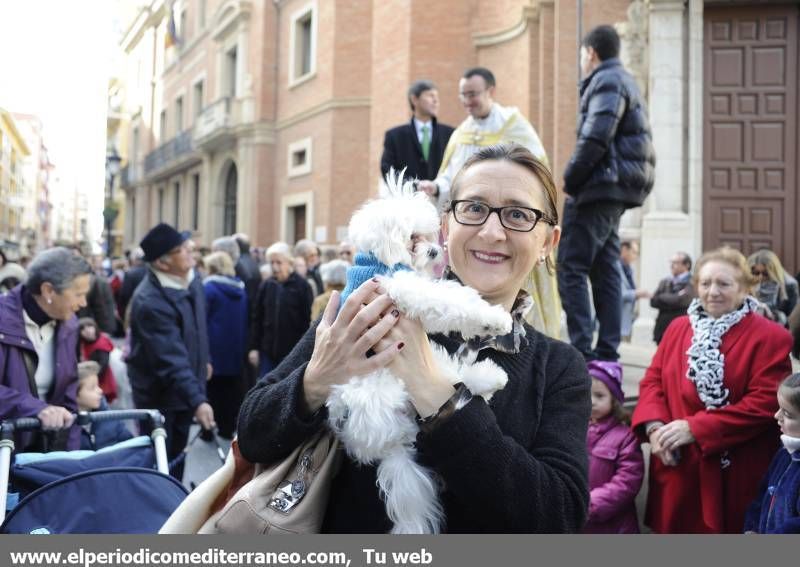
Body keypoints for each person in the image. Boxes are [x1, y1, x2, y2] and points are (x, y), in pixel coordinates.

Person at [237, 144, 591, 533]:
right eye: (473, 208)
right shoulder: (363, 311)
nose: (492, 232)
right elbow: (253, 435)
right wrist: (317, 379)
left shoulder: (560, 368)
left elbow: (559, 518)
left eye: (518, 215)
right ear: (446, 227)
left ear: (547, 243)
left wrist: (438, 394)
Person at [632, 246, 792, 533]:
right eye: (705, 283)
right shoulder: (678, 327)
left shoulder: (771, 337)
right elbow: (653, 381)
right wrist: (655, 428)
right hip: (678, 465)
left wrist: (696, 428)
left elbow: (765, 402)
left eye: (724, 283)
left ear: (744, 288)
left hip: (735, 470)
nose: (713, 292)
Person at [417, 67, 559, 338]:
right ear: (446, 226)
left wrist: (517, 213)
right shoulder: (461, 133)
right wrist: (435, 187)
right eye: (463, 96)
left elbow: (538, 181)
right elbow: (453, 179)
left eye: (473, 94)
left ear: (491, 91)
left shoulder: (514, 125)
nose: (468, 101)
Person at [557, 25, 656, 362]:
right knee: (605, 267)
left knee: (570, 265)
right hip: (613, 188)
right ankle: (607, 350)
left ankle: (583, 350)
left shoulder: (606, 80)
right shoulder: (624, 79)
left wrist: (570, 180)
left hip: (598, 187)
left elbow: (596, 136)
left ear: (591, 53)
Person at [127, 223, 215, 480]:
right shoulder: (150, 301)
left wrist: (204, 360)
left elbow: (199, 329)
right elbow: (170, 359)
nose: (190, 250)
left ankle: (174, 503)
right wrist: (197, 399)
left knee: (179, 459)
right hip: (160, 396)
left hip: (186, 386)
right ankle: (161, 512)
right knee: (161, 462)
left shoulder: (192, 280)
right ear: (163, 263)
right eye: (180, 249)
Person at [0, 248, 92, 450]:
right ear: (48, 290)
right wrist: (36, 409)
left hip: (45, 452)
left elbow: (69, 399)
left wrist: (69, 460)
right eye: (78, 294)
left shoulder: (69, 325)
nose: (83, 303)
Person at [583, 360, 643, 534]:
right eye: (587, 394)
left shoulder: (626, 437)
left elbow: (628, 481)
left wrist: (590, 504)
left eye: (599, 396)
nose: (592, 401)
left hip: (613, 525)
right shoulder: (572, 427)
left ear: (614, 400)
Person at [744, 373, 800, 534]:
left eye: (787, 414)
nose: (777, 416)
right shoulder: (783, 454)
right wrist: (751, 528)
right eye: (779, 409)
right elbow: (761, 497)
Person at [248, 242, 314, 377]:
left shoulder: (302, 286)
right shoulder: (266, 285)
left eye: (279, 262)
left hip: (292, 354)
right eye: (271, 263)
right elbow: (257, 318)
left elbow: (307, 320)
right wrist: (253, 347)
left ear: (289, 263)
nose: (275, 267)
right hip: (267, 352)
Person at [202, 251, 248, 439]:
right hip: (235, 345)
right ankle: (227, 427)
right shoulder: (241, 289)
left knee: (212, 390)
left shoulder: (208, 289)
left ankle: (208, 429)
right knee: (230, 390)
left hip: (214, 345)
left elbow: (202, 318)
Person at [380, 79, 454, 184]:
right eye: (430, 96)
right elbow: (387, 170)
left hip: (442, 197)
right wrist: (413, 185)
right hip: (408, 197)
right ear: (414, 99)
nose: (435, 101)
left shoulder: (450, 133)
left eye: (437, 97)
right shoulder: (395, 136)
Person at [76, 361, 133, 450]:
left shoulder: (111, 420)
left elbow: (131, 447)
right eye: (92, 388)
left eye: (98, 386)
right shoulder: (65, 428)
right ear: (74, 395)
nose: (100, 391)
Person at [651, 252, 694, 344]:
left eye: (675, 263)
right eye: (671, 262)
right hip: (663, 328)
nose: (671, 266)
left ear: (686, 265)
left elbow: (682, 301)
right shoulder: (665, 281)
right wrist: (673, 298)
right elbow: (653, 301)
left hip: (681, 329)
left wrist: (662, 297)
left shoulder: (692, 282)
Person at [748, 249, 799, 327]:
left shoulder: (789, 286)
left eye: (765, 273)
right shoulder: (747, 284)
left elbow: (792, 318)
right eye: (756, 273)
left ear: (773, 272)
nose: (760, 277)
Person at [78, 317, 118, 404]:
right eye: (83, 329)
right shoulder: (83, 344)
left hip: (101, 381)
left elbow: (102, 366)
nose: (87, 331)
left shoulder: (101, 344)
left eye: (89, 326)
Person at [618, 241, 650, 341]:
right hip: (615, 321)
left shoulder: (628, 269)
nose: (636, 256)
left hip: (626, 321)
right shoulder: (615, 267)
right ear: (624, 250)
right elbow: (618, 293)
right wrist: (637, 293)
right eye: (634, 252)